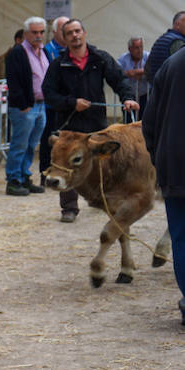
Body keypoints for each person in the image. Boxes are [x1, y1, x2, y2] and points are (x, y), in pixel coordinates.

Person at [41, 18, 139, 223]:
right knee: (66, 166)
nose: (75, 36)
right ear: (64, 38)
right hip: (69, 125)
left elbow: (119, 80)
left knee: (102, 164)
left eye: (77, 31)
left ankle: (101, 198)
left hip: (96, 123)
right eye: (70, 33)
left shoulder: (100, 58)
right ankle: (69, 208)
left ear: (84, 33)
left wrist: (127, 98)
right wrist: (71, 102)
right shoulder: (59, 63)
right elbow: (48, 94)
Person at [140, 48, 185, 326]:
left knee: (181, 237)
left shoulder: (171, 63)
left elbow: (150, 121)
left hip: (174, 164)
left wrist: (160, 156)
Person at [2, 17, 52, 197]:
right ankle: (13, 180)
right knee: (19, 144)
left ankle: (24, 176)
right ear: (25, 34)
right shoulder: (17, 53)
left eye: (41, 32)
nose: (38, 36)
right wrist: (23, 105)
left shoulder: (44, 51)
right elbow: (13, 80)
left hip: (41, 106)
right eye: (34, 32)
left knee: (31, 145)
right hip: (26, 107)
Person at [146, 11, 185, 85]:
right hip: (172, 90)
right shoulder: (178, 43)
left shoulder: (162, 39)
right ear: (177, 25)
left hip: (158, 90)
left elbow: (147, 70)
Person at [118, 36, 150, 108]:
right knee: (128, 117)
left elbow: (154, 69)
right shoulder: (123, 59)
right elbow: (117, 73)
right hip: (129, 95)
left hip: (145, 94)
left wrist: (135, 72)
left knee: (145, 117)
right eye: (136, 48)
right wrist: (129, 73)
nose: (139, 50)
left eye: (141, 47)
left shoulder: (148, 56)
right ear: (130, 49)